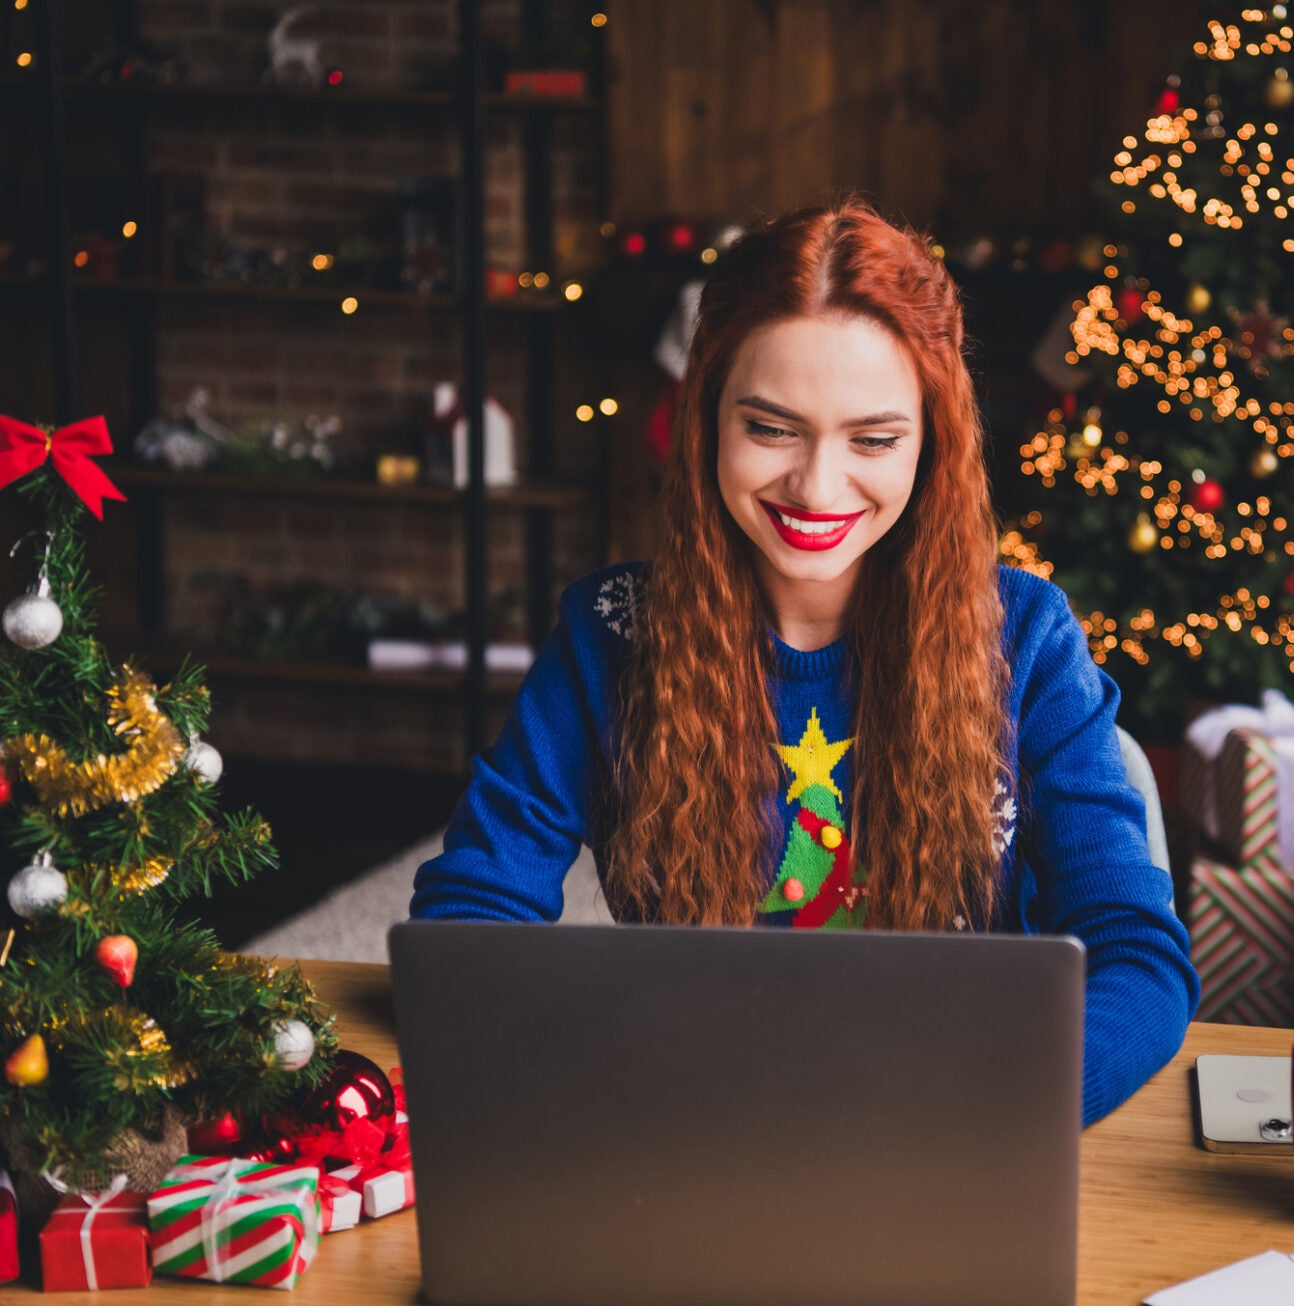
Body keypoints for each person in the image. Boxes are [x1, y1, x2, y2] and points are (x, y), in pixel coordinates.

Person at [409, 195, 1199, 1126]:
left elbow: (1139, 957)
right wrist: (600, 1077)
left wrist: (996, 1111)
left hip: (955, 1125)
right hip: (694, 1117)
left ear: (931, 443)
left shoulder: (1026, 636)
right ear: (707, 420)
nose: (818, 487)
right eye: (771, 428)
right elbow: (468, 922)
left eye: (874, 439)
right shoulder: (608, 632)